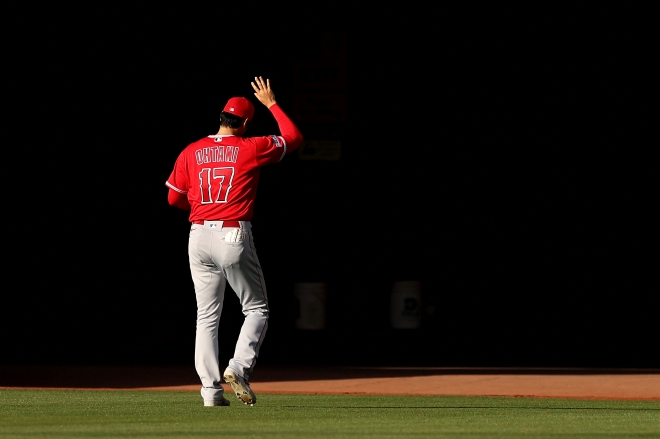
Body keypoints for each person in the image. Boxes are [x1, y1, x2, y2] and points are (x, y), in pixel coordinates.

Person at [165, 77, 303, 407]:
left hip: (198, 233)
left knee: (206, 316)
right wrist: (271, 103)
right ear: (243, 123)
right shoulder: (250, 146)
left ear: (222, 118)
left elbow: (173, 199)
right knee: (256, 308)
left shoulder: (192, 150)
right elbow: (294, 138)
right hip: (232, 232)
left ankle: (211, 394)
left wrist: (200, 207)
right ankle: (238, 368)